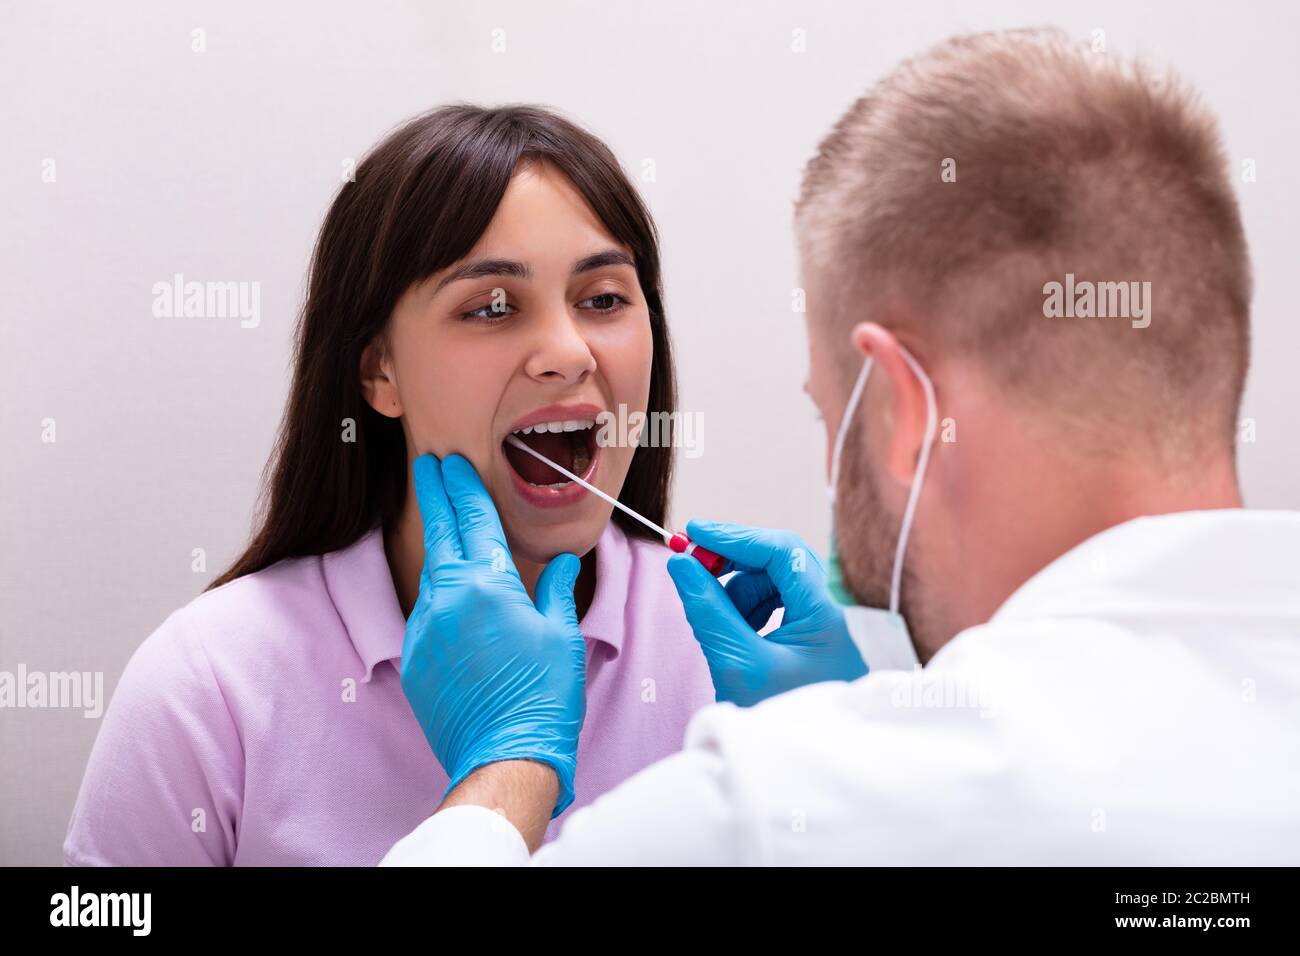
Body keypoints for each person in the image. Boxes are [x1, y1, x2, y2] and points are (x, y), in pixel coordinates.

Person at [381, 29, 1300, 865]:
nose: (569, 353)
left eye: (832, 418)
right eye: (492, 306)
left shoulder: (759, 817)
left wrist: (504, 774)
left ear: (901, 409)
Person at [63, 105, 716, 865]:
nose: (568, 354)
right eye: (492, 306)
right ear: (380, 371)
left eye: (603, 299)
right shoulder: (209, 685)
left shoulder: (718, 651)